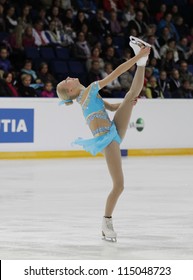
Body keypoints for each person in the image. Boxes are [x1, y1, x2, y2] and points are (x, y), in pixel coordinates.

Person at [56, 36, 151, 242]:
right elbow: (116, 73)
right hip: (108, 140)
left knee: (131, 96)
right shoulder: (88, 90)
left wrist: (122, 107)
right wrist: (134, 60)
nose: (70, 77)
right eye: (67, 81)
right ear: (70, 90)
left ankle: (143, 59)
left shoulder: (85, 96)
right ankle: (106, 223)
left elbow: (105, 106)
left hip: (113, 129)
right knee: (119, 185)